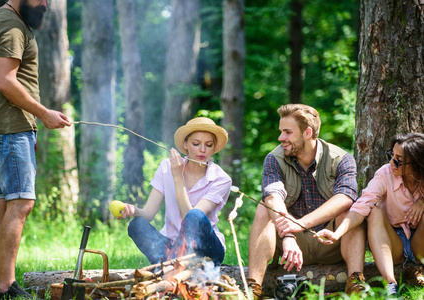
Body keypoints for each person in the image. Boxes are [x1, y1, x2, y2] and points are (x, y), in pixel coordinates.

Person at [0, 0, 71, 299]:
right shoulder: (11, 27)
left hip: (4, 127)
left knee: (3, 205)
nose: (45, 3)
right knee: (21, 204)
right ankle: (7, 287)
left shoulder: (7, 20)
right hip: (11, 128)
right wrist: (43, 113)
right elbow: (6, 82)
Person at [247, 104, 366, 298]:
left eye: (287, 132)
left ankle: (355, 283)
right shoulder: (273, 159)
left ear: (307, 132)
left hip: (331, 241)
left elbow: (345, 197)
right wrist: (288, 235)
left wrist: (299, 224)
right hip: (291, 244)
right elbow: (272, 196)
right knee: (263, 208)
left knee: (349, 210)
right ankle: (253, 289)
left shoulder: (342, 159)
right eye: (280, 132)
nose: (280, 138)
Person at [315, 133, 424, 297]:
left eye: (398, 160)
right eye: (391, 155)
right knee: (374, 210)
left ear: (416, 163)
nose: (391, 162)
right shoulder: (385, 174)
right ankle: (391, 285)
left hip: (420, 243)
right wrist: (337, 234)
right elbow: (361, 206)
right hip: (394, 242)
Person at [116, 117, 232, 266]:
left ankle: (170, 265)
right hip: (171, 245)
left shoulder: (222, 179)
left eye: (208, 145)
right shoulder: (166, 167)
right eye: (196, 144)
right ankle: (168, 266)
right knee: (136, 225)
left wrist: (178, 177)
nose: (202, 149)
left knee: (195, 215)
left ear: (214, 147)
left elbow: (191, 220)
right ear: (185, 145)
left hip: (206, 249)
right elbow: (148, 214)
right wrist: (132, 210)